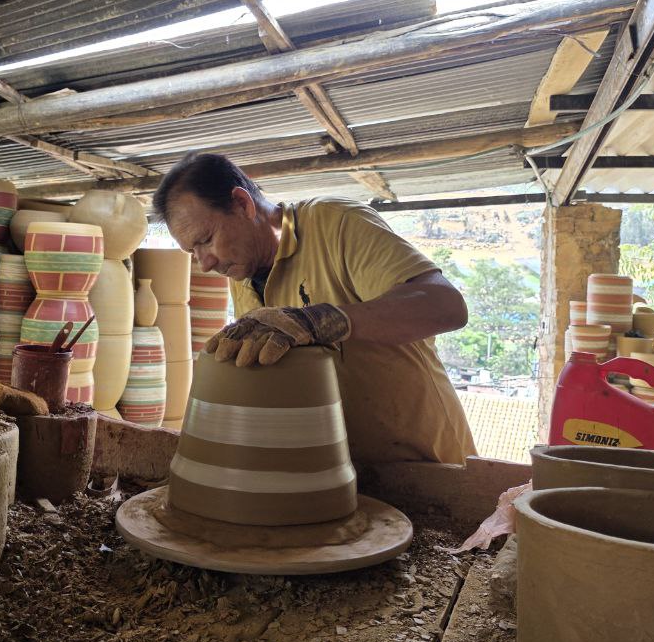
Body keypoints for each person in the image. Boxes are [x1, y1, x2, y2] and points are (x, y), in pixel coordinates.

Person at [152, 152, 477, 465]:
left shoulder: (335, 222)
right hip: (343, 470)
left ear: (242, 204)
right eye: (192, 252)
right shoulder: (242, 271)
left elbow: (445, 305)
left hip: (427, 463)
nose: (204, 264)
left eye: (206, 240)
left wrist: (321, 319)